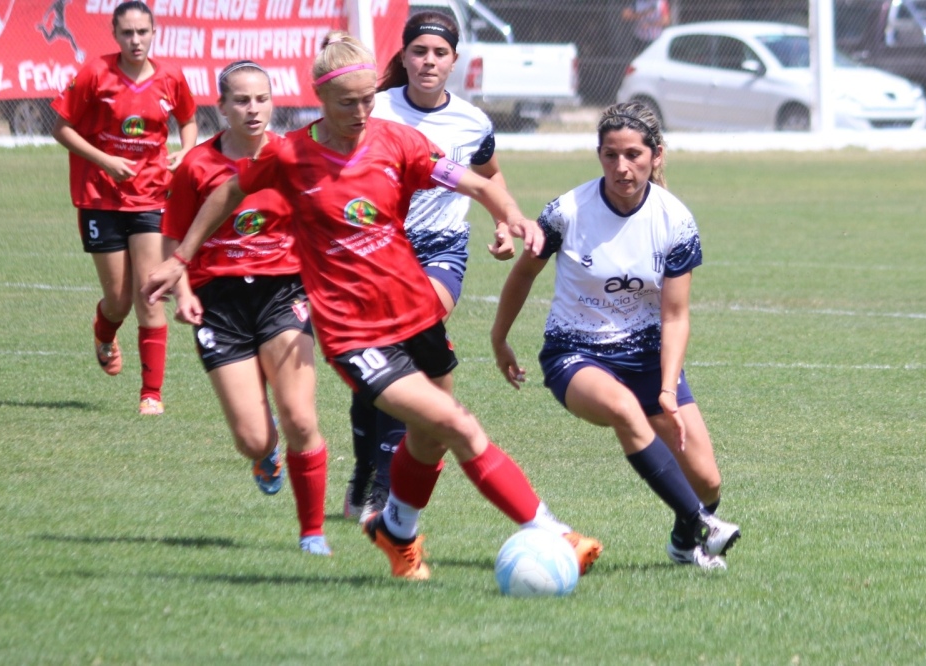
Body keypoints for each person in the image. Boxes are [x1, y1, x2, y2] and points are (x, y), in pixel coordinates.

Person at [143, 31, 602, 582]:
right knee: (457, 424)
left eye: (368, 99)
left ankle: (395, 530)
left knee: (429, 438)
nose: (362, 111)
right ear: (320, 97)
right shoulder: (291, 156)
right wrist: (182, 257)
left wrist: (511, 215)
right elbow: (229, 192)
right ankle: (553, 531)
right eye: (347, 102)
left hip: (416, 314)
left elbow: (474, 184)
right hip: (353, 334)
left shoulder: (396, 142)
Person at [491, 101, 741, 570]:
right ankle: (704, 526)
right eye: (610, 155)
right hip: (575, 352)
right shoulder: (568, 211)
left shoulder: (675, 220)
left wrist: (667, 389)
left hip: (648, 359)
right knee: (625, 410)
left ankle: (684, 539)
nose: (621, 167)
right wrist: (499, 336)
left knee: (707, 481)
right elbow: (523, 272)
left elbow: (675, 315)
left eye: (633, 155)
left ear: (657, 155)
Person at [342, 10, 516, 523]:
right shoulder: (375, 111)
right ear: (404, 55)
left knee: (406, 352)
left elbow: (490, 174)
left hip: (441, 250)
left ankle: (385, 494)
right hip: (376, 250)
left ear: (454, 61)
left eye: (439, 53)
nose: (428, 61)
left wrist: (503, 222)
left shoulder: (472, 121)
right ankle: (367, 473)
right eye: (419, 51)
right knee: (373, 372)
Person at [160, 61, 329, 556]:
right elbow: (174, 235)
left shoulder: (293, 157)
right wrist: (184, 291)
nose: (252, 109)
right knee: (254, 439)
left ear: (273, 102)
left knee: (300, 417)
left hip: (282, 292)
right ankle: (265, 455)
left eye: (260, 99)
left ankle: (312, 533)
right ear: (222, 107)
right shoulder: (197, 165)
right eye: (240, 100)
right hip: (219, 302)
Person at [51, 0, 197, 415]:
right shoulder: (95, 73)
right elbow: (60, 126)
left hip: (152, 196)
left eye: (143, 32)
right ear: (115, 35)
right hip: (100, 198)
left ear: (154, 33)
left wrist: (186, 152)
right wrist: (105, 161)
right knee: (117, 299)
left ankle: (150, 394)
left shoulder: (171, 77)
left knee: (149, 292)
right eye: (128, 33)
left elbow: (188, 119)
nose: (136, 40)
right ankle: (104, 330)